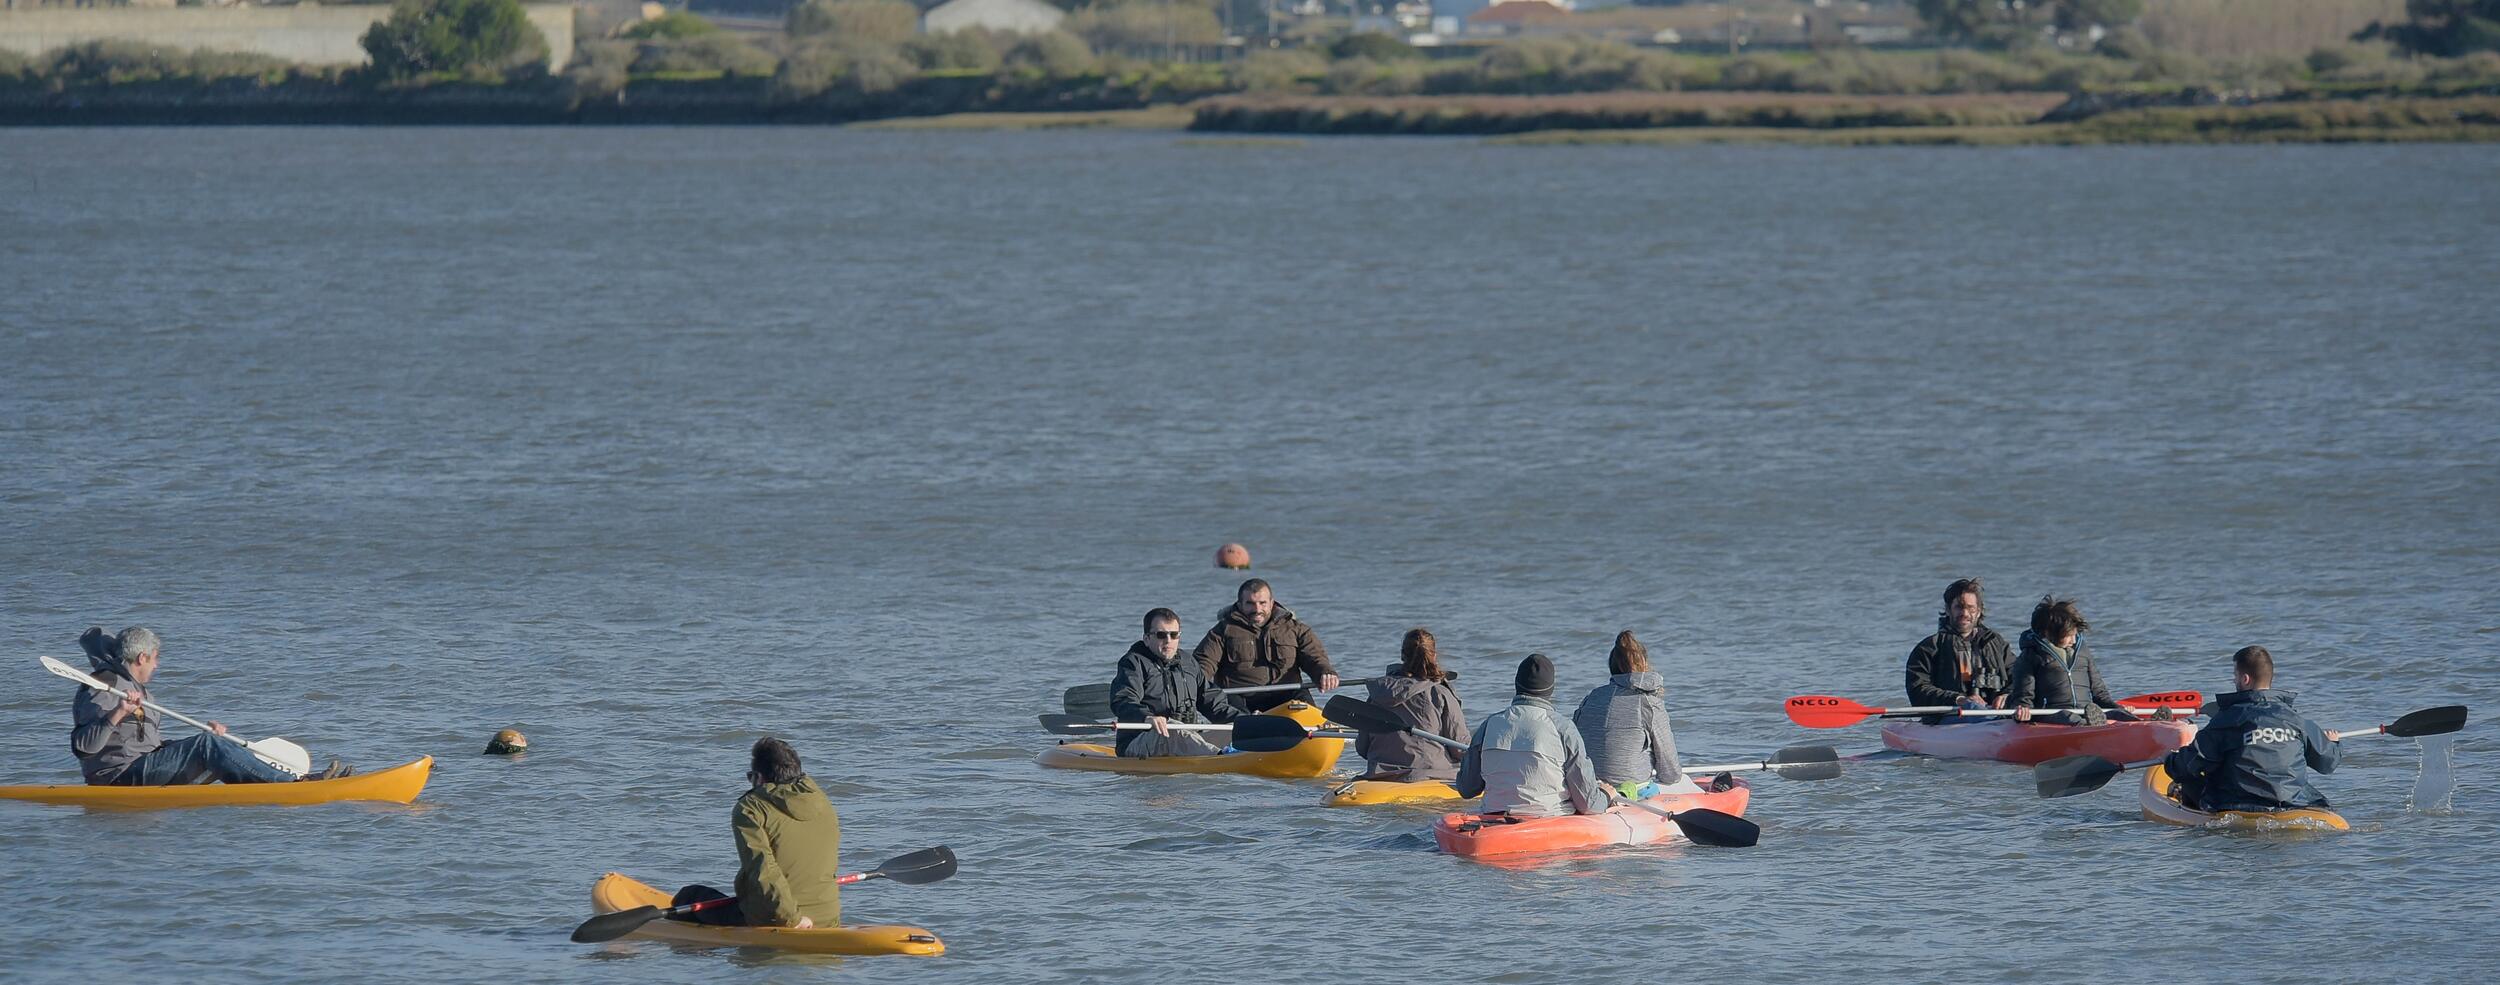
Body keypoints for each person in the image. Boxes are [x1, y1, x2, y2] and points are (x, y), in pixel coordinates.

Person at [69, 626, 348, 786]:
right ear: (142, 657)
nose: (158, 665)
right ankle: (293, 787)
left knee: (214, 742)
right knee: (206, 745)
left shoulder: (138, 690)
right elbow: (82, 748)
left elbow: (145, 745)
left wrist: (194, 745)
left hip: (139, 767)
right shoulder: (103, 686)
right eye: (155, 658)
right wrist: (118, 712)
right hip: (117, 777)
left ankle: (283, 783)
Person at [673, 737, 842, 928]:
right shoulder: (822, 801)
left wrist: (792, 919)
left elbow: (762, 869)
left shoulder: (750, 808)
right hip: (828, 916)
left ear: (759, 778)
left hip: (779, 919)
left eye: (750, 776)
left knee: (689, 896)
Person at [2162, 646, 2342, 812]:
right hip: (2289, 803)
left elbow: (2186, 765)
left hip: (2238, 805)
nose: (2234, 679)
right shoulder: (2296, 719)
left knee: (2189, 779)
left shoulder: (2226, 719)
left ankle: (2188, 808)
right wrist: (2333, 743)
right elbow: (2327, 763)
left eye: (2235, 675)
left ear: (2245, 679)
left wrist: (2169, 759)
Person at [1455, 654, 1610, 818]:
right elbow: (1588, 805)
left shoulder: (1488, 725)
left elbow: (1467, 788)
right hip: (1549, 819)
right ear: (1551, 689)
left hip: (1495, 816)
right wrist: (1606, 796)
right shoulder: (1563, 728)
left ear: (1516, 684)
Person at [1572, 631, 1692, 798]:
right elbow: (1670, 773)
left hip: (1590, 789)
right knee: (1683, 781)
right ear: (1644, 665)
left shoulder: (1591, 697)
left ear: (1612, 667)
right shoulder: (1650, 704)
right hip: (1631, 792)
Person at [1194, 578, 1338, 713]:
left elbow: (1314, 657)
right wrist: (1192, 686)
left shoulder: (1296, 629)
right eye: (1250, 603)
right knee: (1234, 715)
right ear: (1239, 604)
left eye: (1262, 603)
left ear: (1272, 603)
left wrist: (1325, 672)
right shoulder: (1221, 631)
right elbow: (1204, 663)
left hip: (1287, 694)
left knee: (1309, 713)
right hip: (1239, 698)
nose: (1257, 609)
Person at [1110, 608, 1238, 758]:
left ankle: (1244, 753)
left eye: (1174, 634)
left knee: (1235, 729)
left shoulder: (1188, 662)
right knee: (1172, 728)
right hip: (1139, 741)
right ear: (1146, 638)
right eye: (1161, 635)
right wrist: (1147, 717)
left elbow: (1212, 702)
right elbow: (1122, 700)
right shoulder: (1133, 663)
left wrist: (1245, 721)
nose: (1168, 640)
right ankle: (1221, 758)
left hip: (1187, 735)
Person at [1354, 628, 1469, 782]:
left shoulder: (1378, 694)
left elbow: (1363, 748)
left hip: (1380, 774)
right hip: (1430, 773)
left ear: (1402, 656)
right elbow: (1459, 749)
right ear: (1434, 656)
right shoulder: (1441, 693)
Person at [2009, 597, 2139, 725]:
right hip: (2051, 714)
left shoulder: (2083, 652)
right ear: (2048, 632)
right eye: (2068, 636)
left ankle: (2147, 724)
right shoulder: (2030, 656)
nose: (2074, 640)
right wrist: (2022, 710)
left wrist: (2116, 707)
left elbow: (2099, 692)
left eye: (2075, 634)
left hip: (2086, 712)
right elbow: (2023, 695)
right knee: (2068, 716)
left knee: (2119, 715)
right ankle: (2090, 728)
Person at [1903, 578, 2013, 718]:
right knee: (1975, 709)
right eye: (1959, 607)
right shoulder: (1929, 648)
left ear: (1979, 611)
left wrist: (2007, 694)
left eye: (1971, 608)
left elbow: (2019, 675)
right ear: (1948, 610)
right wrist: (1959, 699)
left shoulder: (1996, 643)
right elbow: (1917, 689)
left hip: (1997, 715)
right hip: (1950, 718)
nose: (1965, 613)